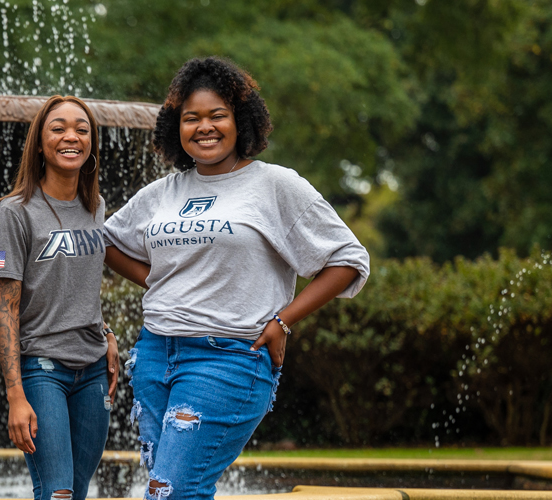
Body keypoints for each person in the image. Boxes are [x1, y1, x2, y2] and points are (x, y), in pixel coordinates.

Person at [101, 57, 370, 500]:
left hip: (228, 358)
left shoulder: (275, 186)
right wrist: (159, 281)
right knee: (168, 487)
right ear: (176, 127)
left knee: (171, 490)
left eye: (216, 115)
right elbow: (106, 242)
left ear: (239, 120)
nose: (204, 127)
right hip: (155, 355)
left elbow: (347, 259)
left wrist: (283, 320)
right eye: (191, 118)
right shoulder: (165, 191)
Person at [0, 96, 119, 500]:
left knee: (77, 492)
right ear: (40, 142)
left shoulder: (95, 207)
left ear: (92, 143)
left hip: (94, 370)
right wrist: (14, 395)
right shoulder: (16, 212)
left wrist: (107, 333)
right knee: (57, 493)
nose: (71, 136)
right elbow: (6, 308)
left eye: (82, 129)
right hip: (42, 369)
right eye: (58, 128)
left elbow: (79, 286)